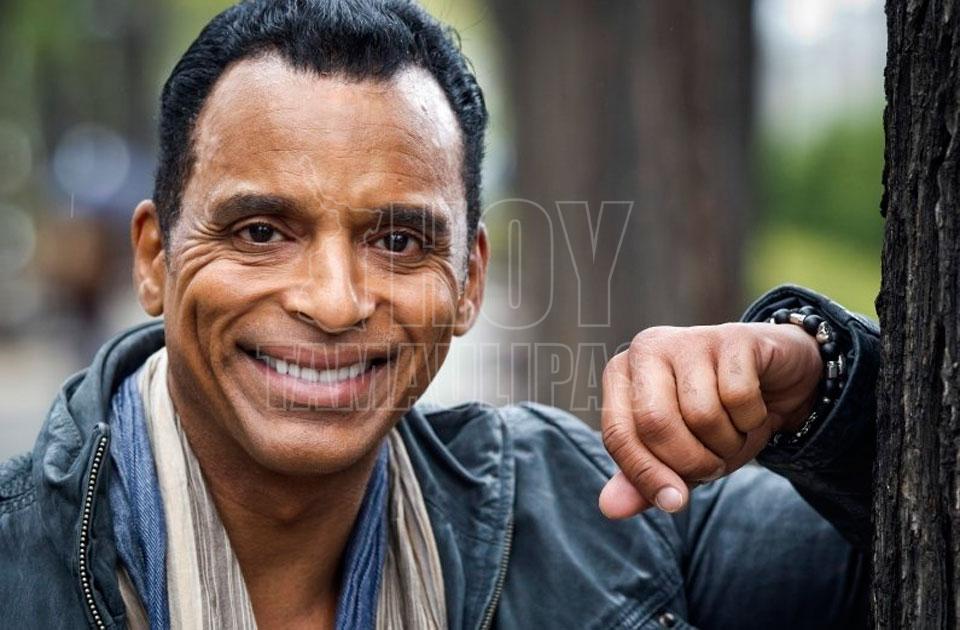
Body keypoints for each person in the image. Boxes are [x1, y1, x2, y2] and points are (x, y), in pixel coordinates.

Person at [0, 1, 876, 628]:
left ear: (468, 282)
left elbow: (895, 559)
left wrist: (825, 392)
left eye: (397, 241)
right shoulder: (21, 560)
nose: (335, 302)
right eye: (261, 231)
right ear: (154, 258)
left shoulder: (589, 520)